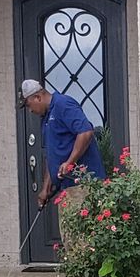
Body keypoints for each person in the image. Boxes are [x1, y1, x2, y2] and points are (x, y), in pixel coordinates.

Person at [20, 79, 105, 214]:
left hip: (84, 185)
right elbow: (52, 155)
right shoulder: (46, 118)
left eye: (29, 105)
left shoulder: (63, 104)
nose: (30, 111)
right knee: (69, 233)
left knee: (82, 233)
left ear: (38, 97)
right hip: (67, 188)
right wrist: (45, 188)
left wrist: (69, 162)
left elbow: (86, 132)